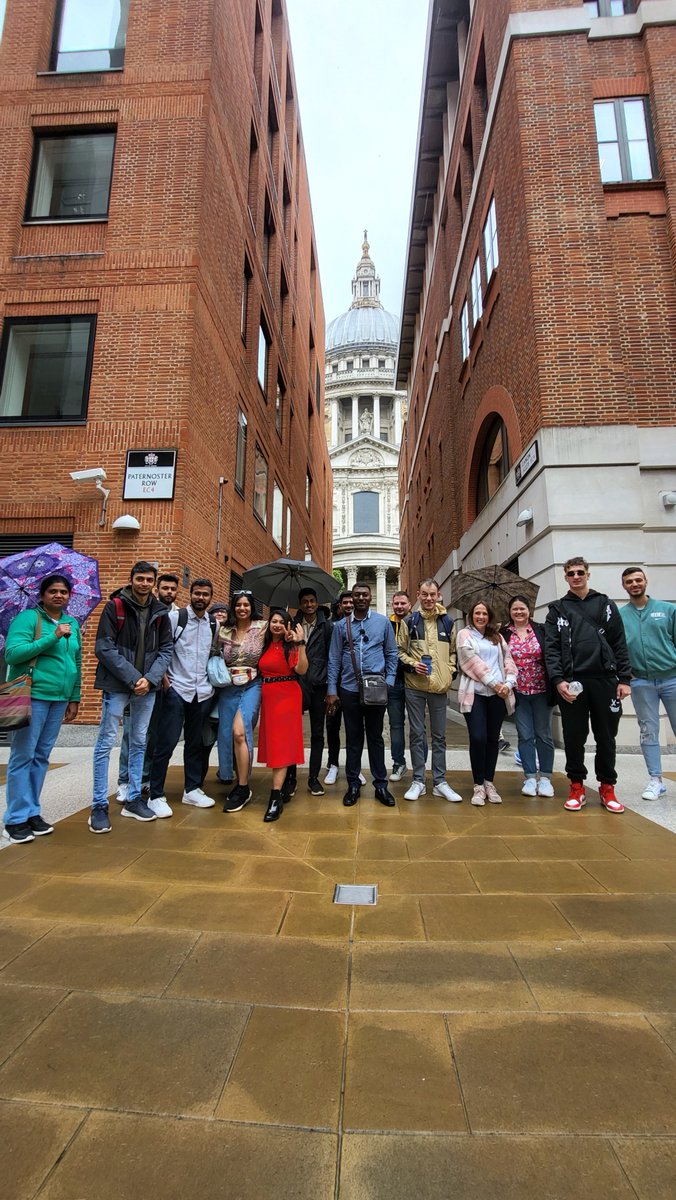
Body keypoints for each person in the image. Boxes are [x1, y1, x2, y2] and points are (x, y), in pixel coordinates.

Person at [90, 561, 173, 833]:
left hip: (146, 688)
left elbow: (166, 649)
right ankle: (99, 805)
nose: (145, 583)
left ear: (154, 582)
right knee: (106, 742)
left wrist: (148, 680)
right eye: (140, 578)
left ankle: (135, 799)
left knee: (139, 742)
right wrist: (133, 677)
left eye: (149, 579)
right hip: (117, 685)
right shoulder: (115, 606)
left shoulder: (160, 612)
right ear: (131, 579)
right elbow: (104, 646)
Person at [545, 556, 631, 814]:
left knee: (606, 736)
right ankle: (576, 786)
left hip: (604, 679)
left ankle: (607, 787)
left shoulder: (605, 605)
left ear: (588, 574)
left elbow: (619, 642)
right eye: (571, 573)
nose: (576, 576)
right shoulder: (557, 609)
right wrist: (558, 680)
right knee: (574, 737)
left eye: (580, 572)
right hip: (572, 683)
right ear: (565, 577)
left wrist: (625, 679)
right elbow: (550, 649)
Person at [2, 575, 81, 844]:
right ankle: (14, 819)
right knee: (23, 756)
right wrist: (52, 636)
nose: (58, 596)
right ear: (42, 594)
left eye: (63, 592)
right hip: (32, 696)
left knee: (41, 757)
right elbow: (13, 654)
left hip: (59, 699)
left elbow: (76, 662)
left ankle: (32, 811)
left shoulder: (72, 623)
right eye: (53, 591)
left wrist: (74, 697)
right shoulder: (28, 619)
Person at [148, 579, 226, 816]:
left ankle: (192, 789)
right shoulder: (176, 618)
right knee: (166, 743)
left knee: (195, 744)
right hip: (176, 689)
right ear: (190, 594)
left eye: (205, 594)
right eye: (197, 593)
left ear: (210, 597)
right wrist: (163, 678)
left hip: (201, 692)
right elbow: (160, 648)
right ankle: (155, 795)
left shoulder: (214, 624)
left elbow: (214, 653)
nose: (201, 597)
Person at [326, 582, 399, 808]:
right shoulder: (341, 626)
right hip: (349, 689)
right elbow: (334, 659)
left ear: (370, 598)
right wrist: (331, 690)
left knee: (376, 737)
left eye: (364, 595)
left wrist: (388, 682)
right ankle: (353, 784)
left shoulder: (383, 623)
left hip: (376, 688)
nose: (360, 598)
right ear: (352, 598)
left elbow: (392, 654)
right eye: (356, 595)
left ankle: (380, 785)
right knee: (354, 738)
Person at [116, 571, 180, 804]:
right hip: (141, 682)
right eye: (164, 588)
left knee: (152, 735)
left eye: (173, 589)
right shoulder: (145, 610)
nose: (168, 592)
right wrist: (151, 677)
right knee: (131, 734)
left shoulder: (177, 615)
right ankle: (124, 781)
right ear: (157, 589)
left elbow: (168, 650)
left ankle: (144, 778)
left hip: (164, 686)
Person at [397, 579, 462, 803]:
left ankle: (440, 781)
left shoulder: (448, 622)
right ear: (418, 594)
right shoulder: (410, 621)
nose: (428, 598)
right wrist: (414, 665)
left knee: (440, 736)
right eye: (424, 594)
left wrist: (450, 671)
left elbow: (454, 653)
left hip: (439, 688)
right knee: (416, 734)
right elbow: (399, 651)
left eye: (432, 594)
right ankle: (418, 780)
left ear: (439, 595)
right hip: (414, 687)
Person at [620, 566, 676, 801]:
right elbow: (618, 649)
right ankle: (655, 780)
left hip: (672, 677)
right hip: (641, 681)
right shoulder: (621, 615)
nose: (634, 584)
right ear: (624, 586)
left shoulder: (668, 610)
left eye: (638, 580)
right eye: (629, 581)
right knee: (648, 731)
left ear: (645, 582)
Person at [457, 600, 517, 806]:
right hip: (476, 694)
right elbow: (471, 662)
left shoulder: (498, 637)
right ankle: (478, 785)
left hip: (498, 696)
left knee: (493, 739)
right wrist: (494, 683)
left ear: (489, 616)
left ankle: (489, 782)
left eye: (484, 613)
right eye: (477, 613)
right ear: (471, 615)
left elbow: (509, 661)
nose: (480, 616)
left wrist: (509, 683)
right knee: (478, 737)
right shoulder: (464, 634)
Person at [217, 589, 266, 813]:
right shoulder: (223, 630)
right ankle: (235, 777)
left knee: (240, 732)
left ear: (251, 607)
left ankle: (243, 787)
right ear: (233, 607)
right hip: (228, 686)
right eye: (238, 605)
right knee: (228, 734)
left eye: (246, 605)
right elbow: (213, 654)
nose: (242, 608)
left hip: (252, 684)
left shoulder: (262, 627)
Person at [257, 610, 308, 821]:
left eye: (282, 622)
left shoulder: (292, 646)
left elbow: (302, 670)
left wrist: (301, 643)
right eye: (274, 621)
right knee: (276, 745)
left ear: (288, 625)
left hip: (287, 696)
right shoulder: (263, 643)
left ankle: (275, 797)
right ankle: (284, 785)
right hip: (268, 697)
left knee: (280, 746)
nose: (277, 625)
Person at [502, 595, 556, 797]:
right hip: (519, 693)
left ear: (529, 611)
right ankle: (530, 777)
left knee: (544, 734)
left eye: (522, 609)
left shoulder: (542, 630)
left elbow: (552, 655)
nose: (518, 612)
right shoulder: (504, 634)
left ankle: (546, 779)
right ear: (510, 612)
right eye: (514, 609)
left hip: (542, 690)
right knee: (525, 735)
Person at [286, 588, 332, 797]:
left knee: (317, 733)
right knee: (292, 732)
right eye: (305, 601)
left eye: (312, 601)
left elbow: (333, 657)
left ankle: (313, 778)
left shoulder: (327, 626)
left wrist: (332, 688)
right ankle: (290, 778)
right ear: (300, 604)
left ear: (317, 602)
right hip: (296, 684)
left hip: (319, 684)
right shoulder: (292, 624)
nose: (309, 605)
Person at [325, 591, 365, 786]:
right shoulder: (331, 626)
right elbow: (330, 656)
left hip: (352, 685)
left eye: (351, 602)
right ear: (339, 605)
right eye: (345, 602)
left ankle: (354, 767)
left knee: (354, 728)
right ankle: (333, 764)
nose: (349, 605)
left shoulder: (361, 626)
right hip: (333, 684)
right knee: (332, 726)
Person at [388, 591, 411, 782]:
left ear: (410, 605)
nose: (399, 606)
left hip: (414, 681)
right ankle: (398, 763)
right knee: (396, 725)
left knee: (418, 727)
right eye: (396, 603)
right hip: (394, 682)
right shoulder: (387, 625)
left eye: (403, 603)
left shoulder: (416, 624)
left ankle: (419, 767)